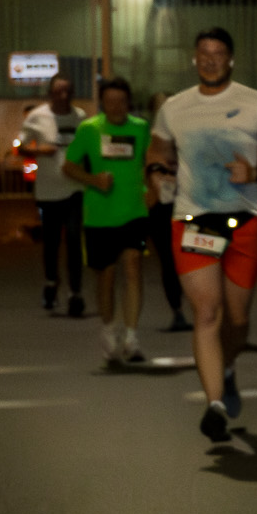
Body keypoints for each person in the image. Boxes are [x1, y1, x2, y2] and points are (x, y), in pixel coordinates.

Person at [148, 26, 257, 443]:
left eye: (218, 53)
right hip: (193, 220)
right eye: (204, 54)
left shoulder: (254, 102)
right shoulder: (175, 107)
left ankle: (227, 368)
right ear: (195, 59)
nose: (210, 60)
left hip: (243, 220)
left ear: (231, 59)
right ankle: (214, 406)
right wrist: (156, 171)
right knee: (208, 313)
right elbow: (157, 150)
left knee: (238, 319)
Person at [63, 76, 153, 365]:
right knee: (107, 275)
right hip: (100, 215)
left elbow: (150, 163)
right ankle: (109, 330)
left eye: (121, 102)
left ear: (129, 103)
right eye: (110, 102)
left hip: (135, 211)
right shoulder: (90, 129)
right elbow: (69, 166)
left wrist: (152, 189)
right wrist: (94, 180)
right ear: (102, 103)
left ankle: (132, 338)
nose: (116, 107)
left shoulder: (140, 128)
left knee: (134, 266)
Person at [18, 75, 88, 315]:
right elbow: (19, 147)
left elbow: (88, 146)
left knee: (74, 239)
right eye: (59, 92)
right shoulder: (37, 116)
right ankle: (50, 282)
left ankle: (75, 293)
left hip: (75, 188)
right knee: (51, 242)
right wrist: (38, 150)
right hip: (48, 191)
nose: (63, 96)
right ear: (50, 94)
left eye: (68, 91)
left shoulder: (80, 117)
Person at [141, 93, 191, 332]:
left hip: (188, 208)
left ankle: (205, 307)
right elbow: (153, 181)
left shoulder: (187, 138)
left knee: (196, 258)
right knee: (169, 262)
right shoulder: (149, 142)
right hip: (161, 211)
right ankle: (177, 310)